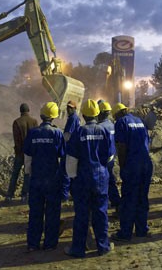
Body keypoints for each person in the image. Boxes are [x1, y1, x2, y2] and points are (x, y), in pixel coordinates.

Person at [64, 99, 114, 258]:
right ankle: (103, 246)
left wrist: (72, 179)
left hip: (83, 179)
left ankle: (78, 249)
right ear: (97, 114)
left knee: (82, 214)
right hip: (100, 178)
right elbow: (110, 156)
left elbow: (71, 159)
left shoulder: (79, 132)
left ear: (84, 115)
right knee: (101, 213)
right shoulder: (104, 131)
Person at [24, 102, 65, 252]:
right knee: (53, 212)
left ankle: (33, 244)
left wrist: (28, 174)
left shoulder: (33, 133)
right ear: (54, 117)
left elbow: (27, 156)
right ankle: (50, 243)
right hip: (52, 178)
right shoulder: (57, 133)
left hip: (36, 179)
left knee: (35, 212)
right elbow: (62, 156)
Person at [111, 102, 153, 242]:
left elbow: (121, 147)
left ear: (117, 114)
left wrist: (123, 167)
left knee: (129, 199)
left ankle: (126, 232)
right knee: (142, 197)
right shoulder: (139, 121)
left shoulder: (121, 123)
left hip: (132, 165)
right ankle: (142, 229)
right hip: (146, 163)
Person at [6, 103, 38, 202]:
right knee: (27, 174)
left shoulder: (17, 122)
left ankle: (10, 195)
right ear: (28, 110)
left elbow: (17, 140)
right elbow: (36, 138)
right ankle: (25, 195)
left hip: (20, 153)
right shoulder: (34, 121)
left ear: (20, 111)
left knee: (15, 173)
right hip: (30, 153)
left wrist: (18, 150)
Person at [97, 100, 120, 212]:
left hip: (101, 160)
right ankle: (117, 204)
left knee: (102, 184)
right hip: (111, 158)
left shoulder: (100, 127)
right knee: (111, 181)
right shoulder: (112, 125)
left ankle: (102, 207)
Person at [61, 100, 81, 201]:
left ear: (74, 109)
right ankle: (73, 194)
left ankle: (64, 196)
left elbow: (67, 135)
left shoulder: (73, 119)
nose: (68, 109)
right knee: (72, 173)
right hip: (73, 149)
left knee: (66, 173)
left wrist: (60, 136)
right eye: (68, 107)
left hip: (70, 150)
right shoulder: (74, 118)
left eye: (70, 108)